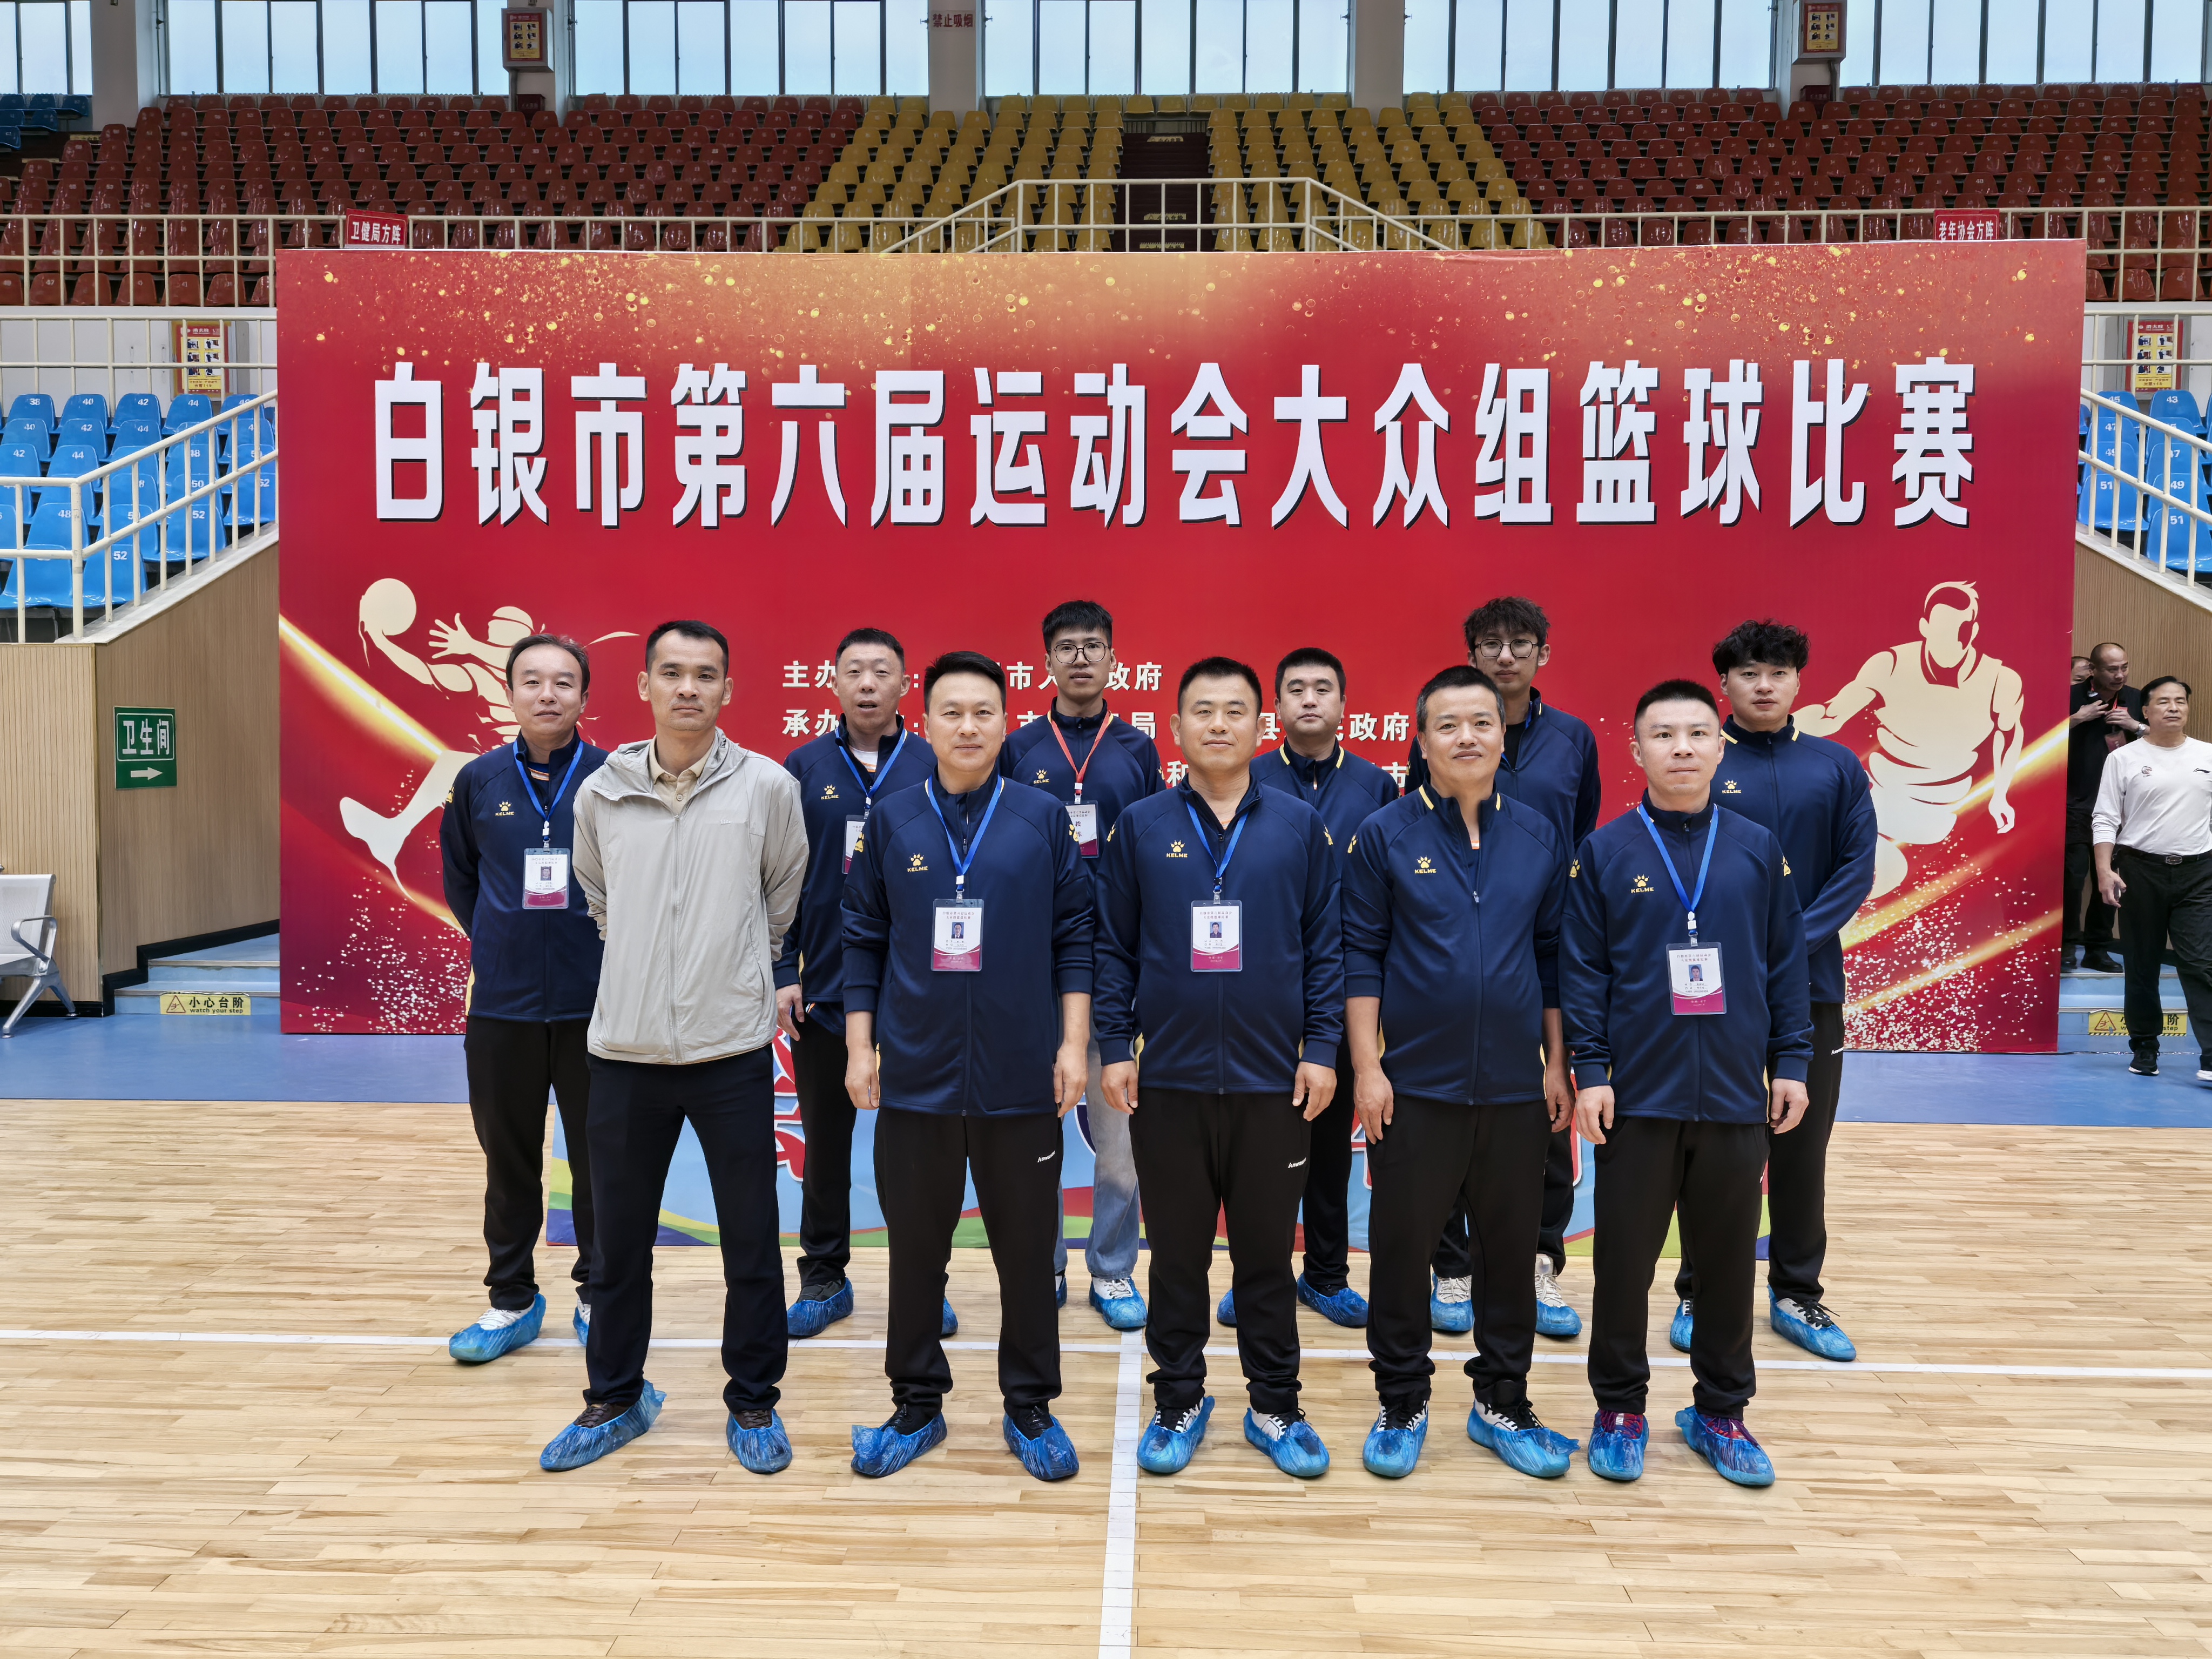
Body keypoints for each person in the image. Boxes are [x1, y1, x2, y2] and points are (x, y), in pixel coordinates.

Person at [538, 621, 808, 1478]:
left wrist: (732, 971)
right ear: (644, 686)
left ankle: (754, 1400)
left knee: (751, 1241)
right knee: (618, 1245)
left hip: (732, 1050)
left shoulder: (767, 787)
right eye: (672, 673)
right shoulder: (602, 793)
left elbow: (782, 898)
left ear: (728, 689)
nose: (688, 687)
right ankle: (615, 1397)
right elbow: (599, 897)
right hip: (626, 1050)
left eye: (705, 674)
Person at [842, 651, 1095, 1481]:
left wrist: (1071, 1045)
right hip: (916, 1075)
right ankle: (916, 1404)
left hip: (1020, 1076)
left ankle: (1031, 1406)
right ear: (926, 723)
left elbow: (1075, 936)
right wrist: (860, 1046)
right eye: (951, 712)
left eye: (984, 712)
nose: (968, 727)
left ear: (1005, 721)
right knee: (917, 1251)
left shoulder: (1041, 818)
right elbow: (862, 937)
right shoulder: (893, 820)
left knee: (1027, 1253)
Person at [1096, 657, 1344, 1480]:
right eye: (1201, 711)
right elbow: (1113, 948)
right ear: (1175, 728)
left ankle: (1275, 1405)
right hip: (1169, 1084)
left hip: (1275, 1086)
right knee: (1176, 1257)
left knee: (1267, 1259)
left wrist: (1321, 1049)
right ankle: (1179, 1398)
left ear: (1259, 726)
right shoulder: (1141, 826)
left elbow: (1326, 947)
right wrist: (1114, 1047)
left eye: (1235, 711)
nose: (1218, 725)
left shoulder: (1299, 827)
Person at [1564, 679, 1812, 1488]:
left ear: (1719, 746)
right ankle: (1619, 1409)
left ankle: (1720, 1413)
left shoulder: (1756, 847)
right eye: (1662, 735)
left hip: (1737, 1096)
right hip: (1638, 1099)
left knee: (1728, 1267)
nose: (1680, 748)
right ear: (1635, 749)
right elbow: (1584, 974)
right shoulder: (1605, 851)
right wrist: (1591, 1073)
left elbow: (1786, 962)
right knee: (1624, 1269)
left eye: (1697, 734)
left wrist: (1793, 1061)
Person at [1344, 665, 1577, 1481]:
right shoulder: (1385, 835)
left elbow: (1553, 958)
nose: (1467, 737)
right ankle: (1401, 1400)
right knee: (1402, 1252)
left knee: (1509, 1255)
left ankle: (1502, 1402)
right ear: (1421, 740)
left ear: (1502, 735)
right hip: (1415, 1090)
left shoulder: (1540, 834)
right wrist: (1368, 1069)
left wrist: (1557, 1065)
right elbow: (1361, 958)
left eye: (1482, 722)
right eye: (1448, 725)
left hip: (1516, 1091)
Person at [1669, 621, 1877, 1366]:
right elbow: (1676, 866)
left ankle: (1797, 1292)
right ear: (1723, 683)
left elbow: (1855, 869)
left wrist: (1787, 943)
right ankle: (1698, 1291)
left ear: (1799, 682)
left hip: (1810, 987)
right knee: (1713, 1148)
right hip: (1714, 990)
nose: (1764, 685)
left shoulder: (1836, 766)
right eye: (1750, 673)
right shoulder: (1699, 759)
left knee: (1801, 1147)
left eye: (1779, 672)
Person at [1405, 597, 1600, 1343]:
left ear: (1543, 654)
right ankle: (1452, 1268)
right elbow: (1418, 829)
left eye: (1521, 644)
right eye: (1491, 644)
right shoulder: (1441, 734)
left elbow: (1576, 836)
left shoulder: (1573, 740)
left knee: (1544, 1119)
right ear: (1472, 655)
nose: (1507, 656)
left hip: (1536, 955)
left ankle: (1538, 1265)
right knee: (1454, 1129)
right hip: (1450, 960)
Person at [1211, 647, 1399, 1333]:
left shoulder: (1376, 787)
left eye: (1323, 688)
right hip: (1258, 990)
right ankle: (1256, 1276)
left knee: (1326, 1144)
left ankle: (1325, 1274)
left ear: (1344, 704)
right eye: (1296, 689)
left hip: (1344, 988)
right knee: (1256, 1148)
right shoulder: (1248, 777)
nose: (1310, 699)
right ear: (1276, 708)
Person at [439, 633, 608, 1364]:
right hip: (502, 1007)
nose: (547, 694)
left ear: (584, 696)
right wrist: (499, 937)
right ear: (509, 693)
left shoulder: (612, 778)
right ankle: (512, 1298)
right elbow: (461, 877)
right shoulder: (478, 779)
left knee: (600, 1162)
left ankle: (600, 1294)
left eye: (563, 682)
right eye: (532, 681)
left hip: (595, 1006)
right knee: (509, 1162)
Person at [1002, 599, 1164, 1331]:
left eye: (1092, 646)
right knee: (1034, 1140)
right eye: (1065, 647)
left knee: (1119, 1144)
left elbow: (1154, 856)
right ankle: (1043, 1266)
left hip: (1116, 970)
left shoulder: (1136, 749)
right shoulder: (1018, 748)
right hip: (1034, 974)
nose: (1079, 658)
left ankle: (1113, 1268)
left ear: (1112, 659)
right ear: (1046, 662)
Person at [774, 627, 936, 1339]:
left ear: (906, 684)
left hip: (918, 994)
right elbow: (777, 876)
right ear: (833, 683)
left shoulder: (933, 764)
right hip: (824, 989)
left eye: (882, 671)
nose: (868, 684)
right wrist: (784, 969)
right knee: (826, 1145)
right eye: (854, 671)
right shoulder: (803, 766)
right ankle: (824, 1278)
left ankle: (922, 1284)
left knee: (915, 1150)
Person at [1794, 581, 2024, 902]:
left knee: (1899, 884)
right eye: (1943, 627)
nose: (1953, 639)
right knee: (1858, 872)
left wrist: (2000, 796)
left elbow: (2009, 733)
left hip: (1942, 808)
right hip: (1880, 796)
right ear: (1925, 627)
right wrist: (1774, 728)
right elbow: (1831, 715)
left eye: (1962, 628)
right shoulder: (1890, 665)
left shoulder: (2001, 680)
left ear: (1973, 630)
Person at [2092, 675, 2212, 1081]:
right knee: (2142, 965)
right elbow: (2105, 817)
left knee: (2201, 965)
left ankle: (2211, 1056)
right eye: (2163, 701)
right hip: (2140, 871)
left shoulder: (2207, 755)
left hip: (2199, 873)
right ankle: (2145, 1047)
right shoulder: (2123, 759)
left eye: (2180, 701)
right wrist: (2104, 870)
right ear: (2145, 710)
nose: (2173, 708)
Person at [2067, 643, 2147, 974]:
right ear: (2093, 670)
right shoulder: (2071, 696)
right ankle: (2066, 947)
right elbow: (2036, 736)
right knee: (2071, 880)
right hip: (2074, 801)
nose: (2120, 675)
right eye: (2112, 669)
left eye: (2124, 667)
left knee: (2111, 879)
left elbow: (2161, 739)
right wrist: (2077, 718)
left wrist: (2134, 725)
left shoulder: (2136, 698)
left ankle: (2098, 950)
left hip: (2119, 806)